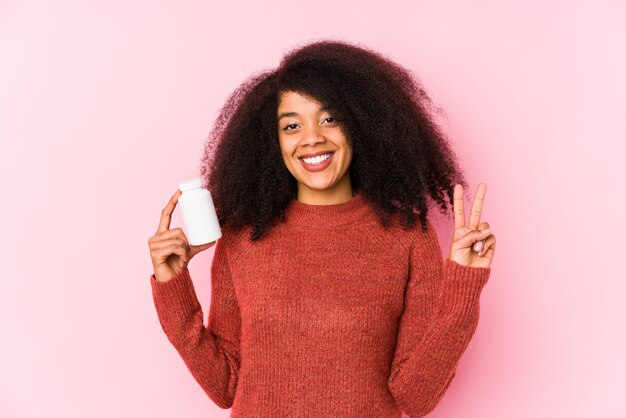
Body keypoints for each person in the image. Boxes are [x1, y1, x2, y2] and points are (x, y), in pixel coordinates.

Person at [147, 39, 496, 417]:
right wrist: (173, 287)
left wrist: (465, 284)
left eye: (330, 118)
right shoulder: (244, 236)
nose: (312, 137)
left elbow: (415, 397)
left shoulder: (407, 235)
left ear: (360, 125)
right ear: (273, 141)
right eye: (292, 125)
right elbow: (226, 386)